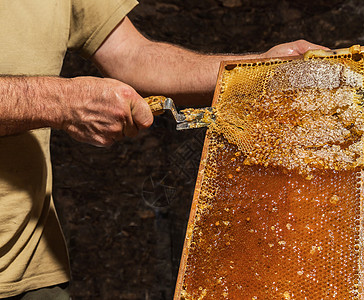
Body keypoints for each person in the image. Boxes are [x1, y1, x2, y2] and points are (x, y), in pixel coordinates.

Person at [0, 0, 327, 299]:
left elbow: (131, 55)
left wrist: (258, 68)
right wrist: (61, 101)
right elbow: (60, 101)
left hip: (30, 266)